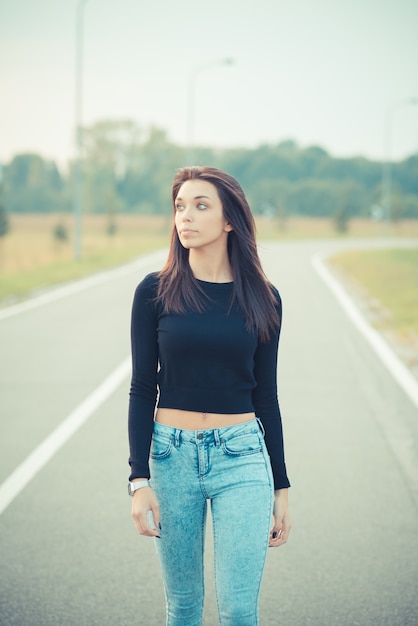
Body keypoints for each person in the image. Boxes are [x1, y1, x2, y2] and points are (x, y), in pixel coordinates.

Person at [128, 166, 291, 626]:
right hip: (171, 456)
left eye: (201, 206)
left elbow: (268, 398)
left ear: (229, 220)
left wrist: (281, 485)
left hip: (241, 456)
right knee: (183, 608)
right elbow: (143, 389)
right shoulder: (154, 292)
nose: (186, 217)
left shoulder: (264, 298)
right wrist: (139, 480)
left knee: (239, 610)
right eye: (180, 206)